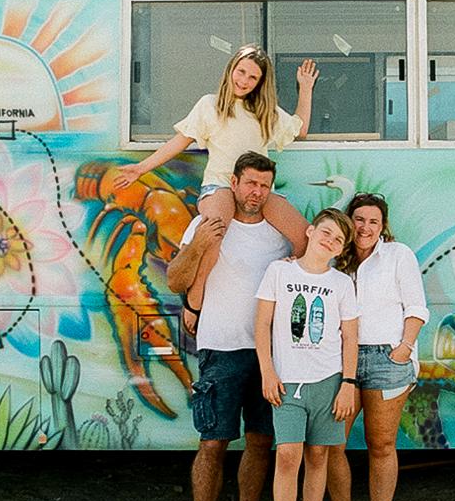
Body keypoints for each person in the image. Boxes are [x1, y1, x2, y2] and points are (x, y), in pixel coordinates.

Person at [115, 44, 318, 337]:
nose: (245, 81)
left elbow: (300, 130)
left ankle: (285, 297)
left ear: (260, 83)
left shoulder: (264, 112)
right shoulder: (210, 105)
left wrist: (305, 88)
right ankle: (195, 299)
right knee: (214, 232)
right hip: (221, 185)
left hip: (256, 189)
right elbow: (179, 141)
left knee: (304, 234)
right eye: (241, 72)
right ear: (231, 70)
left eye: (253, 78)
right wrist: (141, 168)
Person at [167, 151, 292, 501]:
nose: (256, 192)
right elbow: (175, 280)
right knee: (213, 443)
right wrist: (198, 246)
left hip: (268, 354)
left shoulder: (278, 233)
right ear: (234, 183)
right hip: (220, 348)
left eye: (264, 185)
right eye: (250, 183)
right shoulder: (209, 226)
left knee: (260, 441)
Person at [316, 193, 428, 501]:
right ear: (350, 222)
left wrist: (403, 349)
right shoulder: (335, 261)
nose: (365, 227)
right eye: (359, 219)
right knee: (331, 443)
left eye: (373, 221)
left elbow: (416, 307)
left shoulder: (398, 256)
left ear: (383, 226)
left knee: (381, 446)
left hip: (386, 359)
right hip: (342, 362)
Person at [252, 208, 360, 501]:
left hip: (329, 382)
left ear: (340, 249)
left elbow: (350, 336)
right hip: (286, 383)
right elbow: (262, 323)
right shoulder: (280, 273)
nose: (329, 241)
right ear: (311, 232)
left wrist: (349, 382)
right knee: (287, 455)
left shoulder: (342, 283)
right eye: (326, 232)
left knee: (319, 456)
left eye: (338, 239)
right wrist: (267, 370)